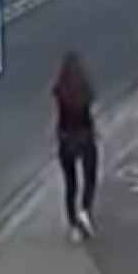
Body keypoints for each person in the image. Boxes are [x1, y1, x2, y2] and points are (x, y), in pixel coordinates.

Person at [53, 52, 98, 242]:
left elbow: (61, 116)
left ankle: (73, 226)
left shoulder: (60, 91)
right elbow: (87, 116)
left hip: (66, 139)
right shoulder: (85, 91)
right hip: (84, 137)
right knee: (90, 177)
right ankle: (85, 210)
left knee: (70, 184)